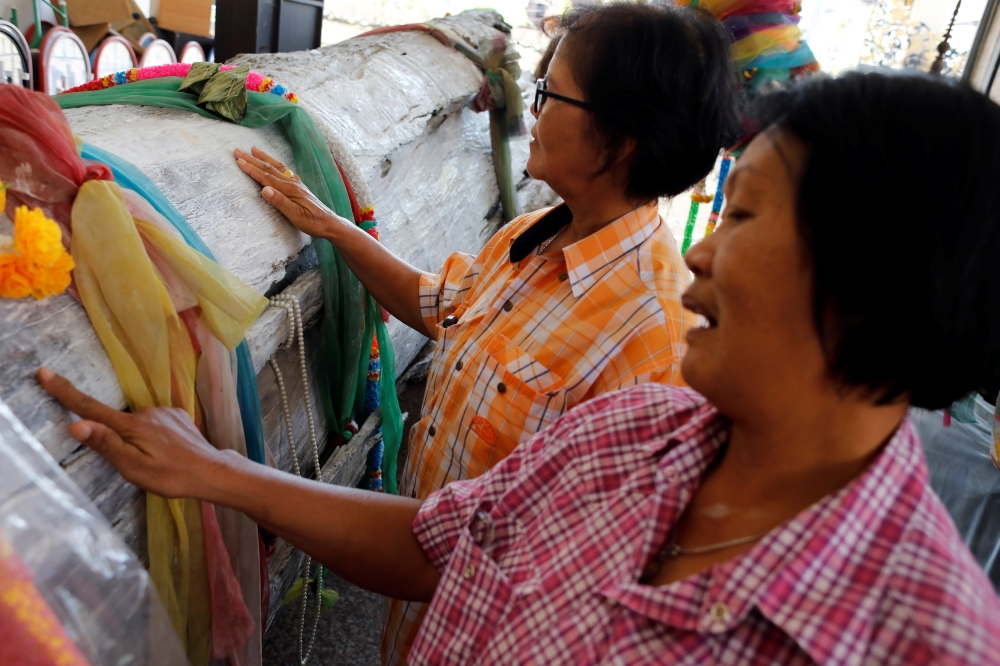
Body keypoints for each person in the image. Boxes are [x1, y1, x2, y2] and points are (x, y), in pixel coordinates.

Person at [41, 70, 1000, 663]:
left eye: (744, 217)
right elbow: (441, 545)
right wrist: (208, 470)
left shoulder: (925, 640)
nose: (704, 253)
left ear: (867, 272)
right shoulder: (635, 437)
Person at [231, 3, 738, 660]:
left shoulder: (654, 345)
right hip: (418, 620)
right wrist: (331, 226)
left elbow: (560, 576)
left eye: (549, 92)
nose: (530, 110)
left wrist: (222, 475)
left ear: (621, 137)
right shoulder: (531, 239)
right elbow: (441, 305)